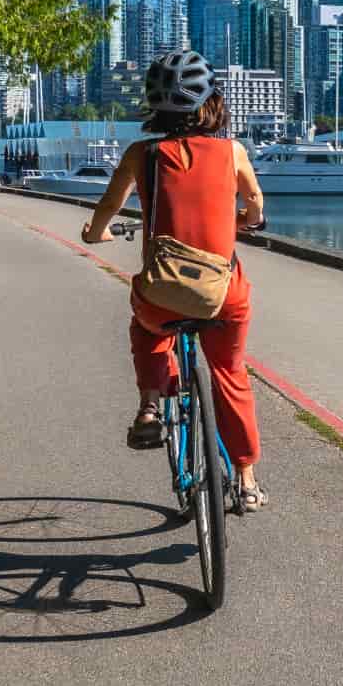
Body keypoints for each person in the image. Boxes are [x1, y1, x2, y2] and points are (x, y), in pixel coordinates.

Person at [80, 50, 268, 512]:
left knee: (147, 326)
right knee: (230, 372)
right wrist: (245, 219)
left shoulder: (141, 155)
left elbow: (107, 208)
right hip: (223, 294)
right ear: (212, 103)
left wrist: (95, 233)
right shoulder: (232, 152)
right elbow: (256, 205)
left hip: (163, 291)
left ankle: (149, 405)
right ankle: (245, 478)